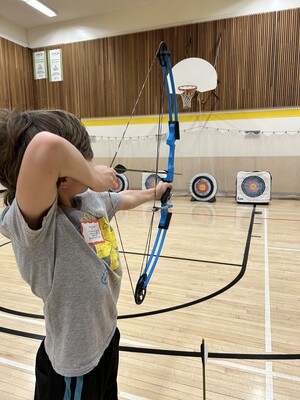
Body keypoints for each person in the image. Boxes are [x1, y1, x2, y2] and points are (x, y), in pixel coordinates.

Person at [0, 108, 172, 399]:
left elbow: (121, 199)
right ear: (62, 177)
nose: (89, 164)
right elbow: (46, 147)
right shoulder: (36, 226)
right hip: (75, 364)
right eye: (83, 160)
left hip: (104, 337)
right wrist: (92, 175)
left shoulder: (87, 199)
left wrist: (152, 194)